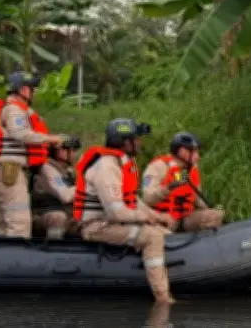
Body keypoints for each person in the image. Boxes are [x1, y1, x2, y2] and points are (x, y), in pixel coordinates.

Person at [72, 118, 177, 304]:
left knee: (164, 233)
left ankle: (167, 275)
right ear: (124, 142)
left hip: (112, 222)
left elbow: (133, 201)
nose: (139, 142)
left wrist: (158, 216)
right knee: (152, 237)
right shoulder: (106, 167)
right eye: (136, 139)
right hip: (97, 226)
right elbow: (116, 212)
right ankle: (162, 297)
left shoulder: (119, 162)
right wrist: (144, 218)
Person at [0, 71, 64, 239]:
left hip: (6, 171)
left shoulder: (12, 109)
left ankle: (3, 253)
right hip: (9, 171)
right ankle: (15, 255)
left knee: (5, 224)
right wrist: (51, 139)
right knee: (19, 223)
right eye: (32, 89)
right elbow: (21, 133)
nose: (34, 93)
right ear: (24, 90)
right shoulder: (14, 110)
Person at [142, 132, 224, 232]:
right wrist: (168, 188)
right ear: (182, 152)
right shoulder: (158, 167)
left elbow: (198, 198)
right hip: (163, 216)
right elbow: (148, 198)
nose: (198, 157)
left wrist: (211, 211)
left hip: (185, 216)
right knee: (159, 230)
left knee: (215, 216)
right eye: (195, 152)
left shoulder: (192, 168)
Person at [30, 136, 81, 239]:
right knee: (58, 217)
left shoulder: (66, 171)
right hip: (43, 215)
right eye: (69, 149)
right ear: (56, 151)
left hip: (66, 214)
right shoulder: (47, 169)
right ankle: (53, 247)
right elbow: (65, 195)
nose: (73, 153)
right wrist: (85, 185)